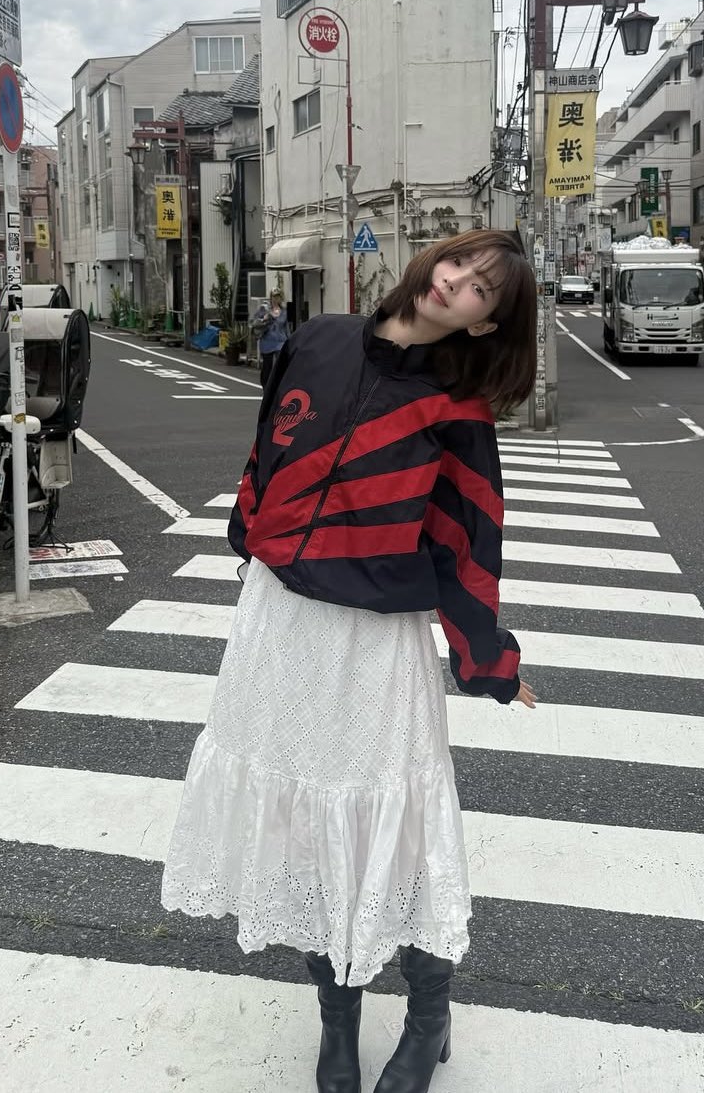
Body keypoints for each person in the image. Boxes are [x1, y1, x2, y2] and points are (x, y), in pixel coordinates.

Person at [161, 228, 538, 1093]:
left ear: (485, 323)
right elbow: (268, 443)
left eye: (482, 289)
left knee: (392, 836)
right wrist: (250, 531)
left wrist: (489, 661)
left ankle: (429, 1017)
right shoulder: (318, 338)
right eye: (459, 263)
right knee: (307, 834)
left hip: (374, 641)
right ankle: (338, 1021)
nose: (457, 283)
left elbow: (468, 546)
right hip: (281, 621)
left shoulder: (457, 411)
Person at [254, 290, 289, 388]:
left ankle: (278, 386)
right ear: (271, 298)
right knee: (267, 366)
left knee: (280, 364)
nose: (276, 299)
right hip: (267, 340)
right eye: (274, 297)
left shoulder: (284, 311)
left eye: (278, 297)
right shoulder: (264, 309)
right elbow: (254, 322)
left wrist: (289, 340)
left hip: (280, 340)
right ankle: (265, 386)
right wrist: (264, 319)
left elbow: (286, 327)